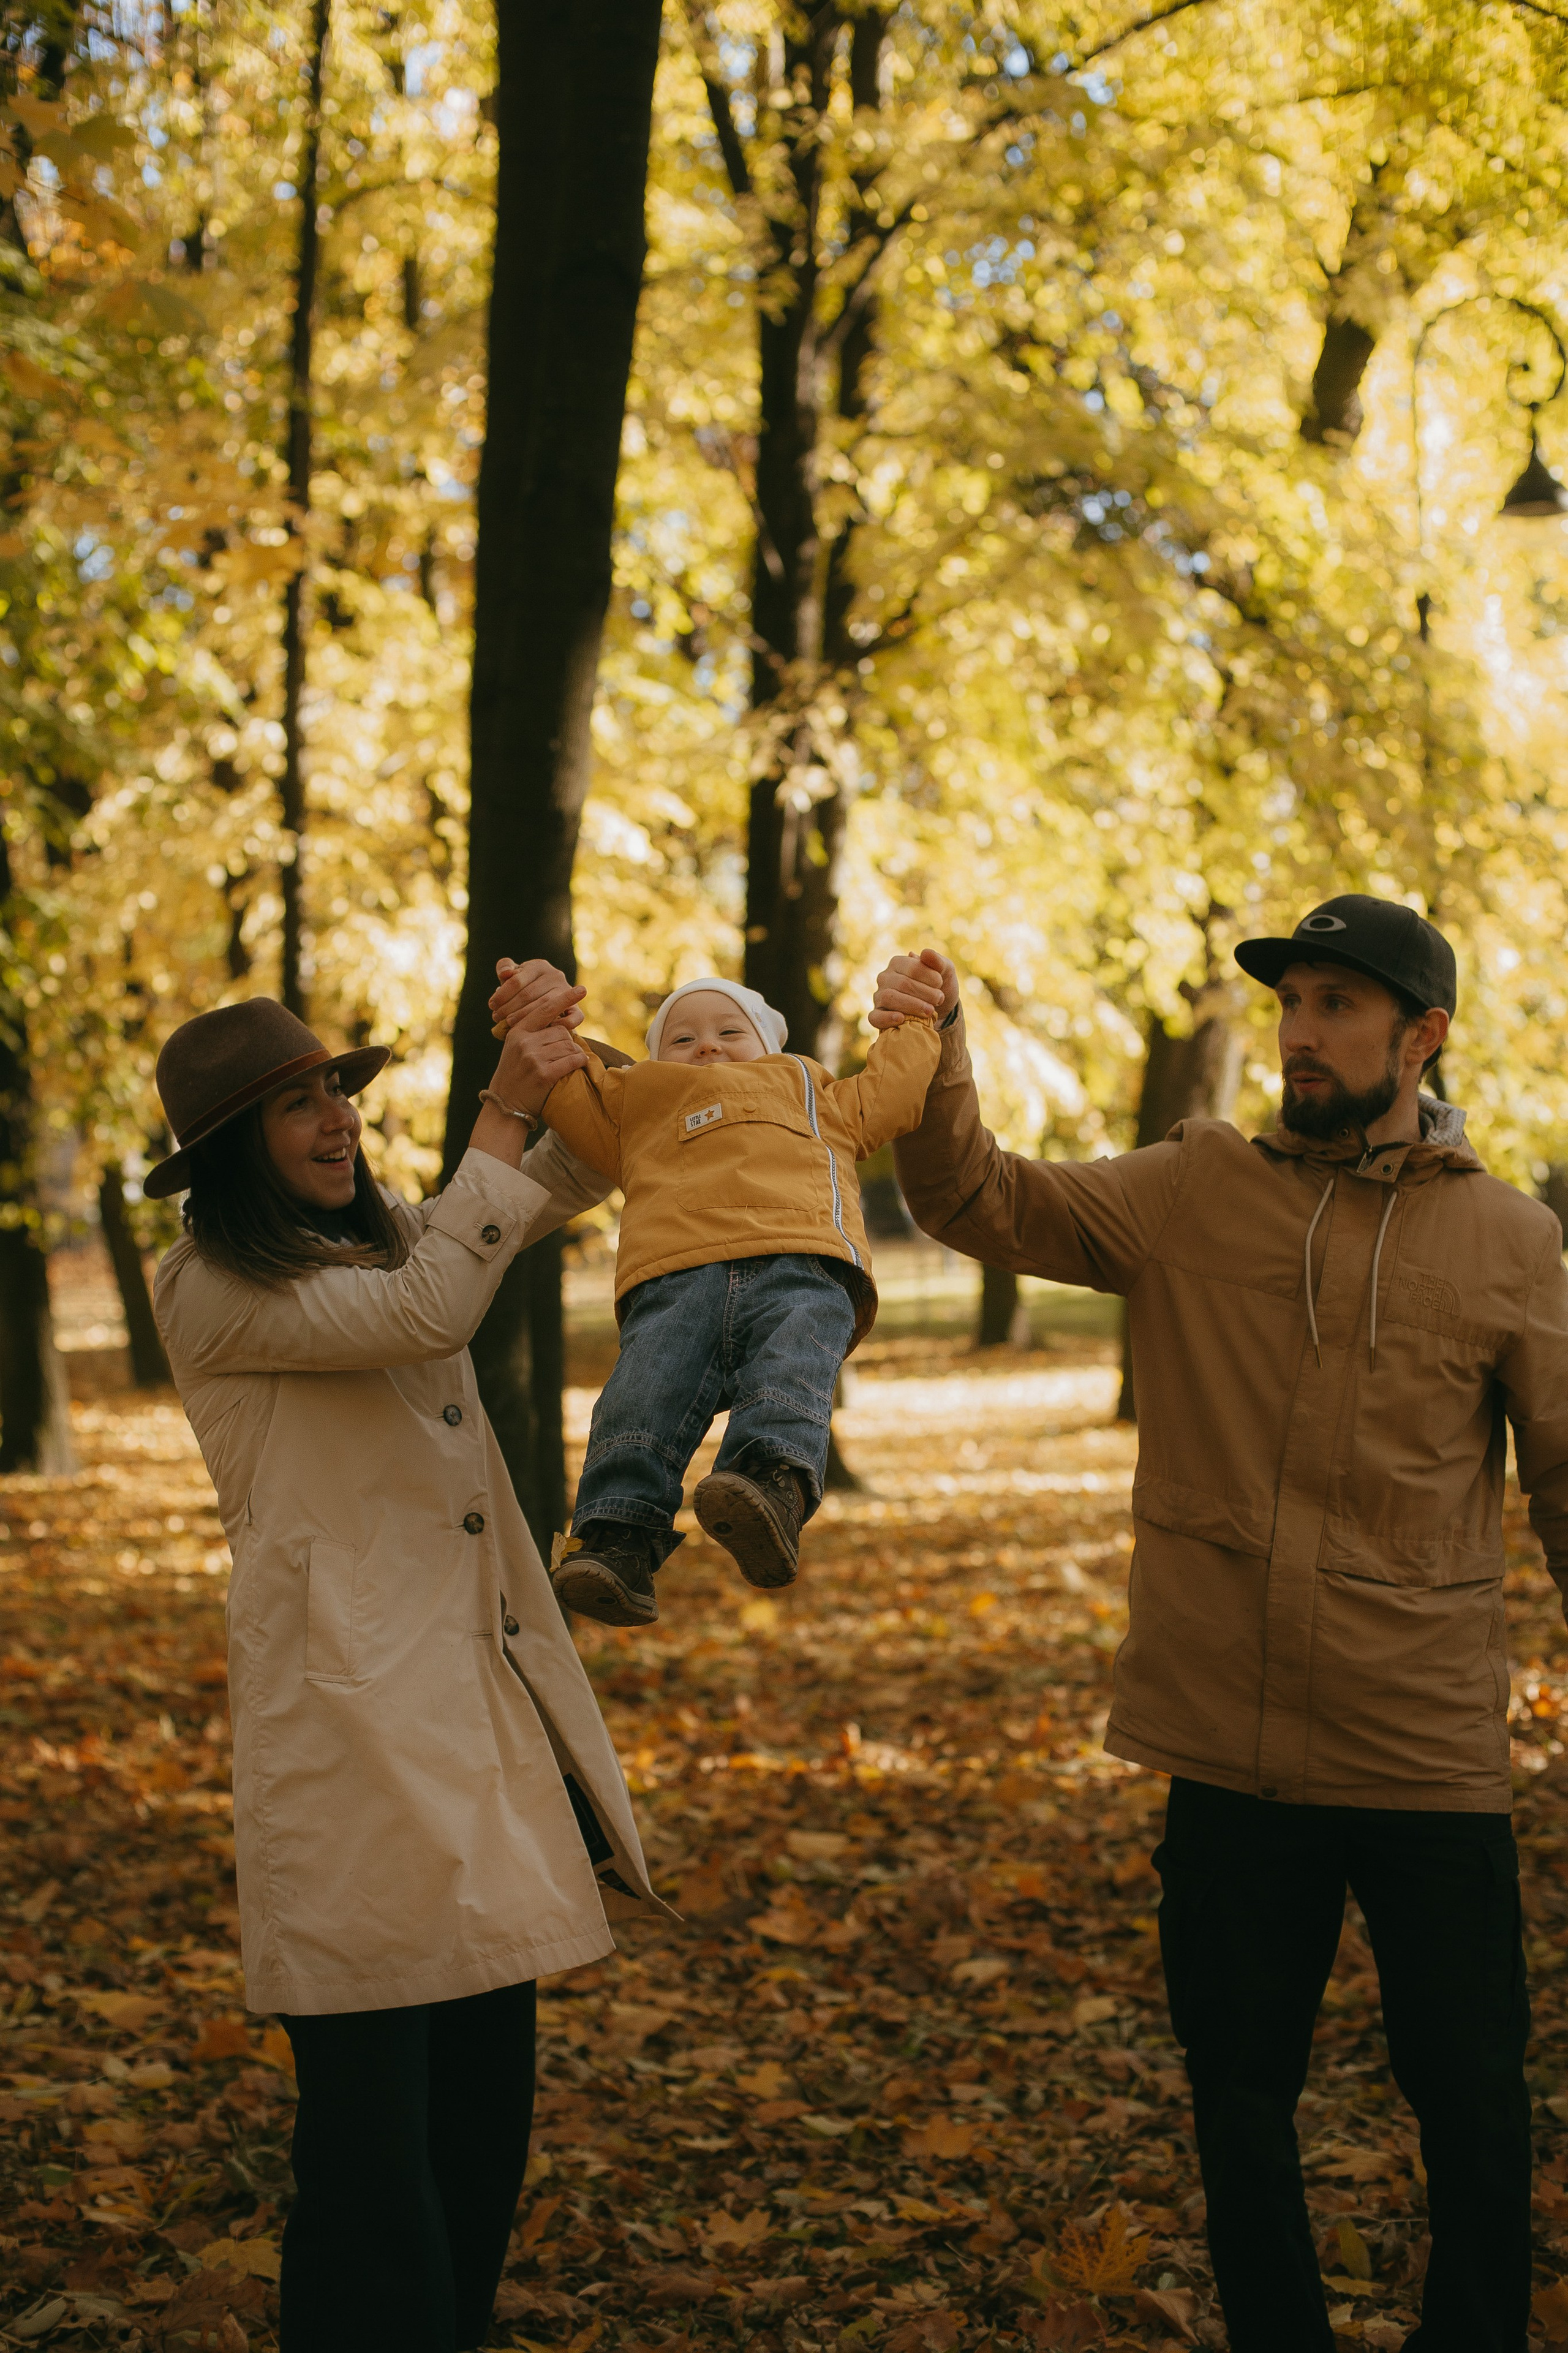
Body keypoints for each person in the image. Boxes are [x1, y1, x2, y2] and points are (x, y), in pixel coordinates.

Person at [874, 896, 1568, 2353]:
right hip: (1228, 1746)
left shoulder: (1507, 1240)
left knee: (1470, 2098)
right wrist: (936, 1057)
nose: (1298, 1032)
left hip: (1423, 1751)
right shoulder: (1195, 1187)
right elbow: (976, 1200)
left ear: (1421, 1036)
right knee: (1238, 2096)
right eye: (1289, 1002)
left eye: (1334, 1004)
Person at [149, 980, 669, 2353]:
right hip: (348, 1747)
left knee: (479, 2130)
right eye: (298, 1104)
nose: (338, 1119)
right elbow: (436, 1306)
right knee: (373, 2164)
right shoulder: (209, 1286)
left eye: (338, 1090)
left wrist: (589, 1069)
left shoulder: (373, 1237)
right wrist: (501, 1102)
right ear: (232, 1149)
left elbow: (540, 1190)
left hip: (470, 1730)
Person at [486, 970, 940, 1626]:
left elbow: (893, 1093)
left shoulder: (811, 1090)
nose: (707, 1046)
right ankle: (616, 1538)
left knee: (793, 1359)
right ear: (654, 1058)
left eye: (731, 1031)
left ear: (770, 1045)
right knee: (640, 1398)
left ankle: (769, 1484)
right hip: (675, 1280)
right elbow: (567, 1088)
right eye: (681, 1039)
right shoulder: (636, 1103)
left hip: (797, 1259)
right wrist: (534, 1016)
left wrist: (915, 1023)